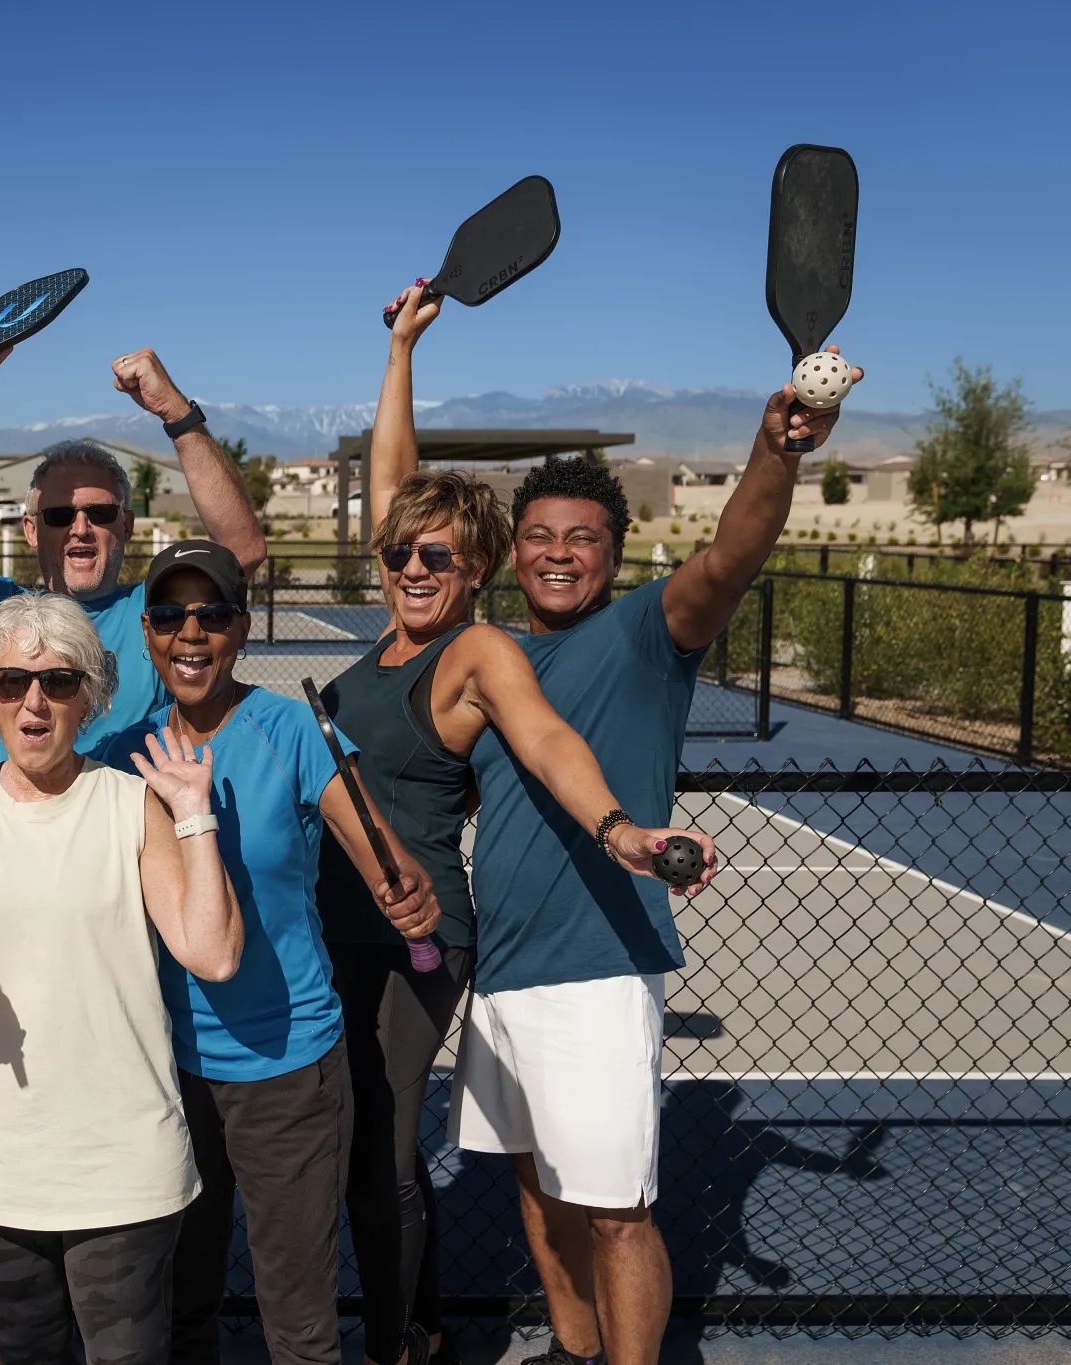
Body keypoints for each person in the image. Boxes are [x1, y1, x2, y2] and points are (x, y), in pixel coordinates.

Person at [365, 284, 862, 1365]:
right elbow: (399, 505)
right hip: (498, 968)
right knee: (540, 1200)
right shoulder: (481, 650)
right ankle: (575, 1351)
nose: (555, 553)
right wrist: (399, 353)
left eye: (579, 539)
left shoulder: (649, 633)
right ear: (508, 553)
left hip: (597, 968)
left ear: (612, 551)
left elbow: (732, 551)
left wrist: (775, 448)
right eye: (537, 536)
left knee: (616, 1213)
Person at [0, 592, 243, 1365]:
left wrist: (195, 814)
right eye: (11, 681)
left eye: (59, 682)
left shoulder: (133, 804)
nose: (33, 700)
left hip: (124, 1162)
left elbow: (214, 952)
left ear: (89, 697)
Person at [93, 541, 441, 1365]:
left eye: (212, 613)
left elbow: (378, 849)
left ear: (242, 627)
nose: (191, 632)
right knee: (180, 1305)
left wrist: (406, 887)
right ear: (146, 632)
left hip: (290, 1071)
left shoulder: (288, 728)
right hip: (165, 1073)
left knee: (300, 1321)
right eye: (170, 615)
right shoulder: (121, 755)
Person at [0, 340, 266, 766]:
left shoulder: (159, 614)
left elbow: (240, 550)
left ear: (127, 526)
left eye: (100, 513)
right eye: (59, 515)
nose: (80, 529)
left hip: (128, 830)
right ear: (31, 529)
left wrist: (176, 413)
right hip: (14, 830)